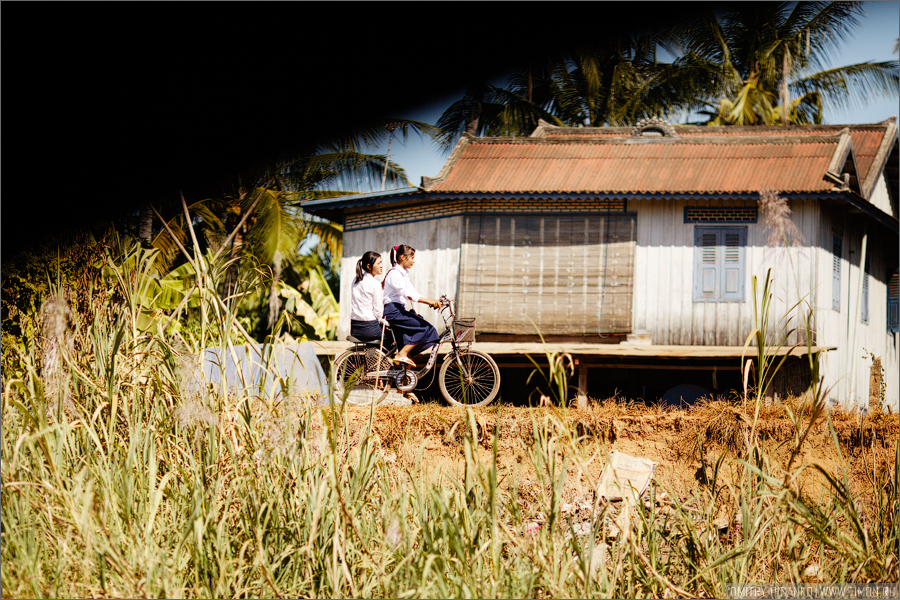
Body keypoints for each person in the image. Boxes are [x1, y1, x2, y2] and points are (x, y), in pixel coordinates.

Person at [382, 244, 440, 368]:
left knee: (409, 348)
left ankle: (402, 385)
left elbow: (412, 291)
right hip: (393, 311)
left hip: (398, 310)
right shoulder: (394, 274)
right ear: (403, 257)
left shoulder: (403, 274)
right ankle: (401, 354)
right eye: (412, 257)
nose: (414, 261)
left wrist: (431, 301)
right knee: (427, 328)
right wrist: (430, 301)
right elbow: (407, 294)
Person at [349, 251, 392, 347]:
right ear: (369, 266)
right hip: (369, 328)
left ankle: (373, 359)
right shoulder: (375, 284)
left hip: (355, 327)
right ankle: (381, 360)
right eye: (378, 263)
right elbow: (378, 312)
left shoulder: (355, 280)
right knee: (394, 336)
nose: (381, 265)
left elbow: (365, 295)